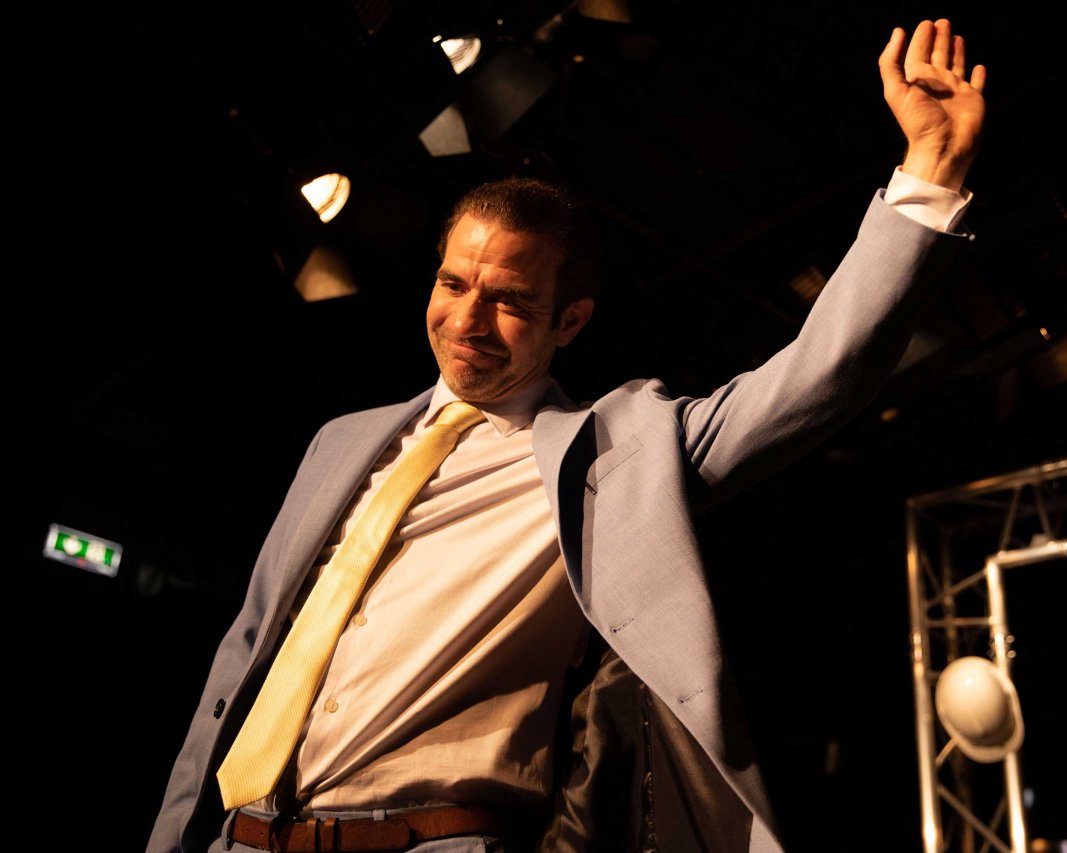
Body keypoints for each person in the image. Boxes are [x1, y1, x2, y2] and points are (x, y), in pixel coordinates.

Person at [149, 18, 987, 853]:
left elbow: (820, 374)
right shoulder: (342, 440)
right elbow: (246, 648)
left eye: (509, 300)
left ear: (570, 320)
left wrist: (930, 170)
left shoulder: (614, 453)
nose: (468, 319)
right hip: (240, 837)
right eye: (453, 284)